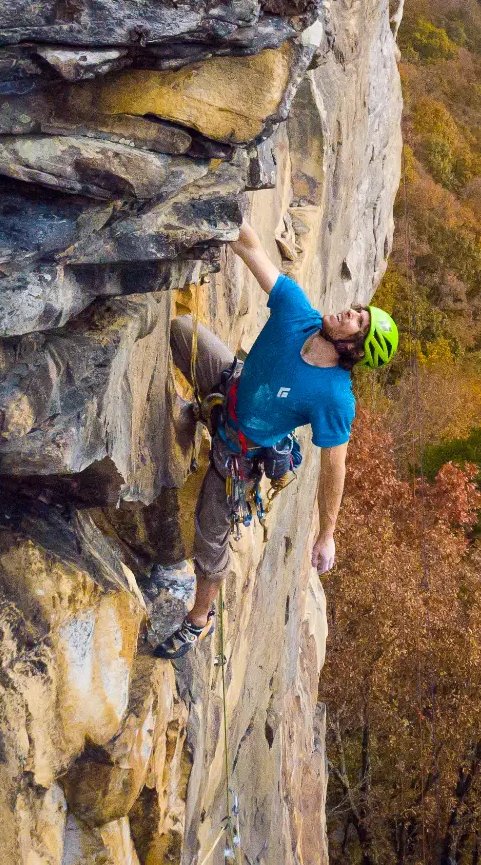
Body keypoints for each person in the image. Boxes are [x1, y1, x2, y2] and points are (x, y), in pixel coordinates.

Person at [152, 221, 398, 659]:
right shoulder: (297, 312)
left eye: (356, 322)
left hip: (239, 452)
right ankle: (197, 412)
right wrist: (226, 208)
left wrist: (327, 534)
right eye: (356, 310)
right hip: (228, 390)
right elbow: (252, 249)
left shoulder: (334, 398)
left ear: (353, 351)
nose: (348, 313)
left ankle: (199, 620)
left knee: (209, 540)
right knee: (183, 333)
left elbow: (334, 466)